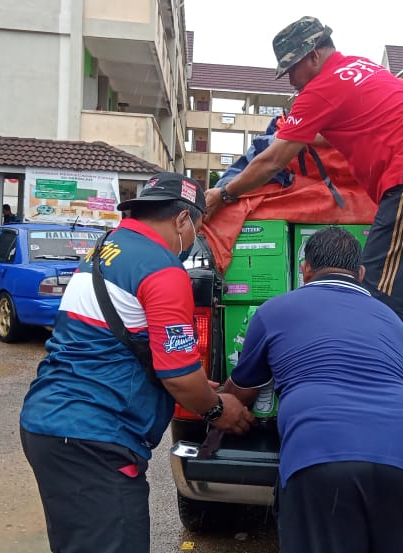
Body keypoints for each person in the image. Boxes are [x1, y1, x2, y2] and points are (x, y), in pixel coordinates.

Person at [203, 16, 403, 398]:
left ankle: (369, 381)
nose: (292, 81)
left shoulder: (322, 88)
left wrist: (225, 194)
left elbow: (271, 161)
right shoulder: (362, 67)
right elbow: (342, 126)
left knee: (378, 283)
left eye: (292, 70)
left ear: (313, 55)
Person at [19, 172, 254, 553]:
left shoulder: (106, 249)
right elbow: (178, 375)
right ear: (181, 221)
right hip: (95, 438)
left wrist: (192, 383)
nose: (193, 240)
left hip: (52, 423)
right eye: (196, 228)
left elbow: (118, 343)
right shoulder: (162, 269)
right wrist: (216, 409)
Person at [224, 227, 403, 552]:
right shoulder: (396, 323)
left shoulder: (273, 311)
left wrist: (214, 402)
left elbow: (241, 394)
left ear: (305, 270)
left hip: (319, 456)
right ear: (362, 274)